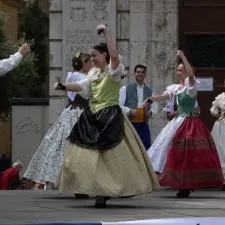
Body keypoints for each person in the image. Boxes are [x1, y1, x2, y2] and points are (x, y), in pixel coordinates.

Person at [54, 24, 159, 208]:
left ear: (104, 56)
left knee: (111, 158)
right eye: (90, 56)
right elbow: (82, 86)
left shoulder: (114, 71)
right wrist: (64, 86)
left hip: (110, 116)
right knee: (81, 155)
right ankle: (86, 186)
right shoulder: (93, 74)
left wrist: (106, 33)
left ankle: (104, 192)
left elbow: (115, 56)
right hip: (92, 117)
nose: (91, 58)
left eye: (94, 55)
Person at [146, 50, 223, 198]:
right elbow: (163, 96)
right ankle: (180, 183)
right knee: (171, 152)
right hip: (178, 121)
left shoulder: (192, 86)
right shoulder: (176, 88)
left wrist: (182, 56)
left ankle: (187, 185)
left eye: (181, 70)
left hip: (190, 123)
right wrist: (150, 99)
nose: (178, 72)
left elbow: (191, 76)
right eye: (178, 70)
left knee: (188, 155)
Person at [23, 52, 92, 192]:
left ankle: (59, 178)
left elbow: (60, 86)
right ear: (83, 63)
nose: (91, 65)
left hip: (70, 111)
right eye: (89, 62)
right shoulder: (82, 77)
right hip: (80, 112)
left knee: (59, 145)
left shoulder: (70, 75)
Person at [119, 64, 158, 150]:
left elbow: (154, 107)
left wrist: (151, 112)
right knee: (130, 149)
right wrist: (129, 110)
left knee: (146, 147)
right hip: (129, 124)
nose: (140, 73)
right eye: (138, 72)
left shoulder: (150, 91)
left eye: (142, 72)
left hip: (143, 125)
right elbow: (118, 105)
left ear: (145, 74)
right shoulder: (125, 88)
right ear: (134, 73)